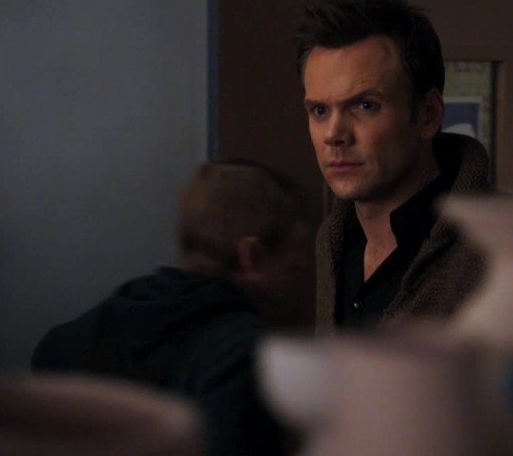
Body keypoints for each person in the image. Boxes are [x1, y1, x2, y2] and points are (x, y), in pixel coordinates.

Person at [32, 159, 310, 456]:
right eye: (295, 248)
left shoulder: (78, 337)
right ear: (249, 255)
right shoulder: (246, 357)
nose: (301, 262)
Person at [294, 0, 491, 331]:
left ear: (428, 114)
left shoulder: (497, 250)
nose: (334, 134)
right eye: (320, 110)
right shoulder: (334, 241)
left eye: (365, 105)